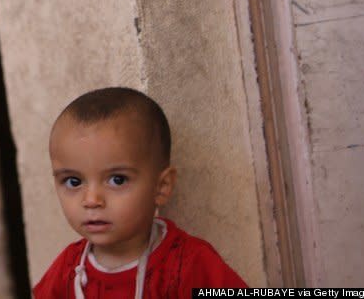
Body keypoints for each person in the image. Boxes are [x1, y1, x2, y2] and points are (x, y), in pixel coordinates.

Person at [34, 87, 247, 298]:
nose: (91, 200)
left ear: (161, 187)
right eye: (74, 181)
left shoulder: (186, 264)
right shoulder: (68, 269)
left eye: (117, 180)